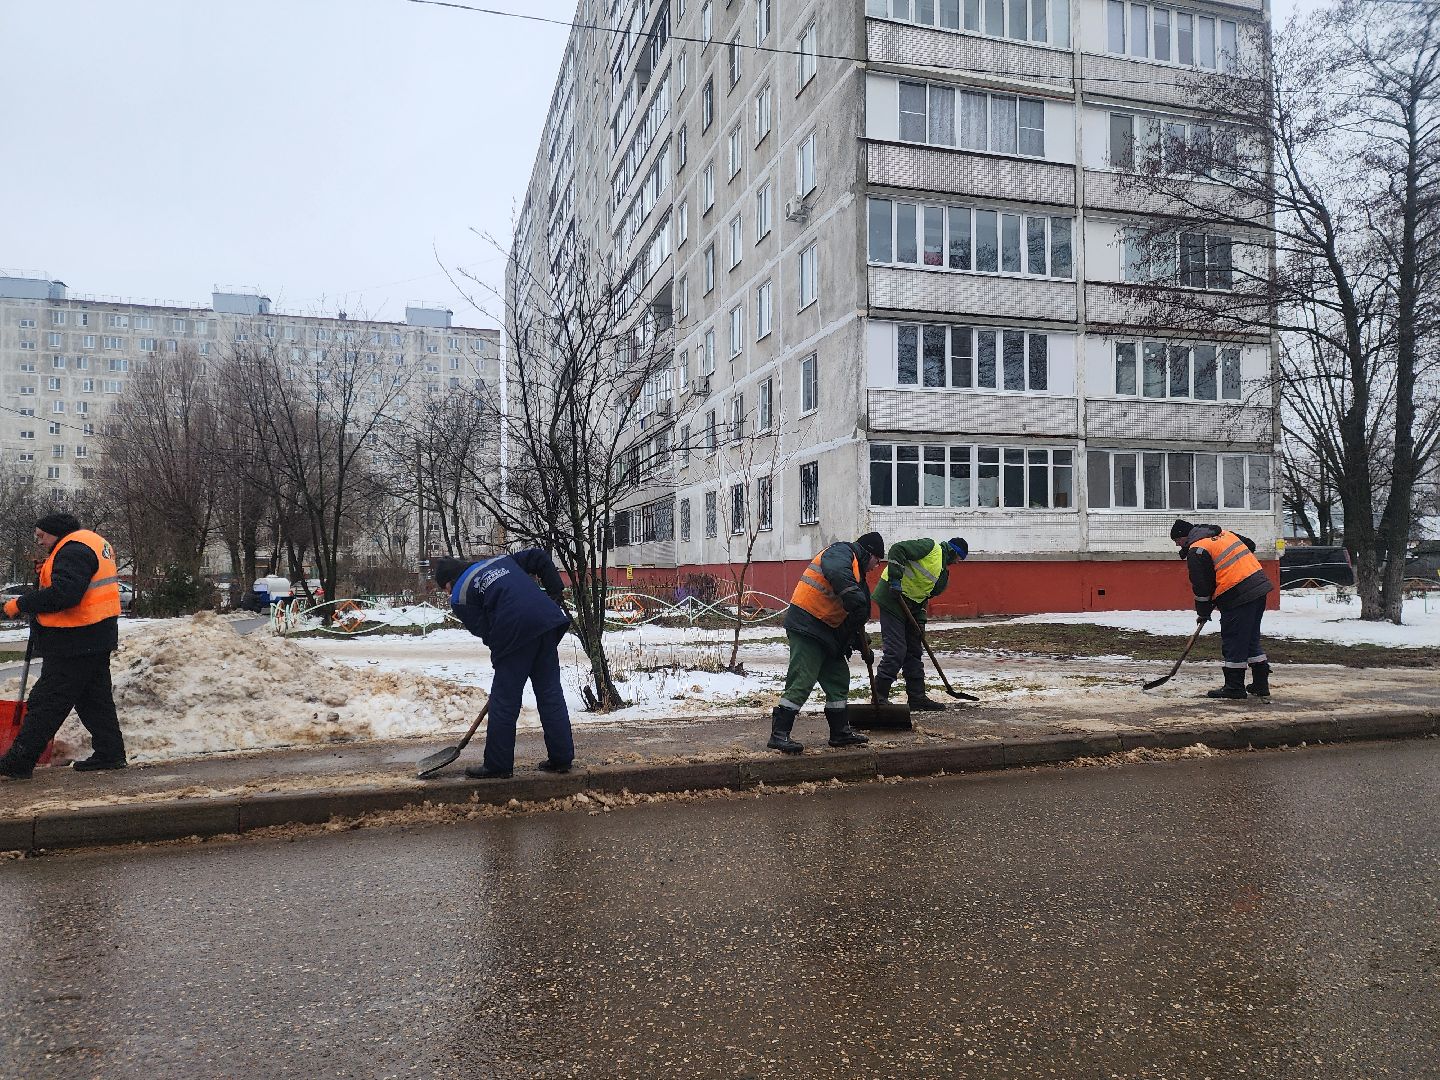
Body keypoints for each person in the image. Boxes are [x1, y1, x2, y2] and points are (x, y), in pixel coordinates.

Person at [0, 513, 126, 780]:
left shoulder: (73, 551)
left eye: (42, 535)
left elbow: (66, 594)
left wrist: (22, 603)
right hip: (93, 636)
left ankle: (17, 762)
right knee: (94, 699)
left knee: (46, 701)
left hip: (75, 639)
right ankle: (110, 753)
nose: (40, 541)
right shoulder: (88, 544)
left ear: (56, 532)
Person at [434, 549, 574, 778]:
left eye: (444, 588)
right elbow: (539, 557)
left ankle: (498, 764)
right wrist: (555, 593)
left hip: (514, 633)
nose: (447, 593)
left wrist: (502, 657)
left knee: (504, 700)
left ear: (449, 583)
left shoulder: (460, 595)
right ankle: (562, 758)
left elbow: (485, 631)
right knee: (550, 694)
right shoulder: (502, 561)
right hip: (547, 621)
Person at [769, 532, 886, 754]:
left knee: (838, 679)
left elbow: (852, 620)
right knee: (802, 679)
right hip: (808, 624)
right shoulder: (842, 553)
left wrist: (864, 646)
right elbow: (837, 574)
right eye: (877, 560)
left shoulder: (857, 576)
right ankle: (779, 734)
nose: (876, 566)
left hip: (827, 632)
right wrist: (853, 595)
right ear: (869, 553)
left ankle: (840, 732)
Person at [1171, 519, 1274, 699]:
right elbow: (1249, 544)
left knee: (1234, 637)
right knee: (1249, 636)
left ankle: (1234, 687)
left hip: (1238, 594)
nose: (1178, 545)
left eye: (1177, 541)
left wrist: (1203, 612)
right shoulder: (1222, 534)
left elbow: (1202, 587)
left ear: (1184, 537)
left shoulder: (1197, 550)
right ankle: (1260, 683)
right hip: (1259, 586)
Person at [872, 536, 968, 711]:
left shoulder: (942, 576)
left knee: (914, 651)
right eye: (959, 559)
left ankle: (917, 698)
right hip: (892, 598)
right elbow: (897, 549)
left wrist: (920, 623)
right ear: (954, 552)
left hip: (912, 608)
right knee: (896, 651)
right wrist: (895, 579)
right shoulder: (929, 547)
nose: (958, 563)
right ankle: (879, 696)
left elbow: (923, 597)